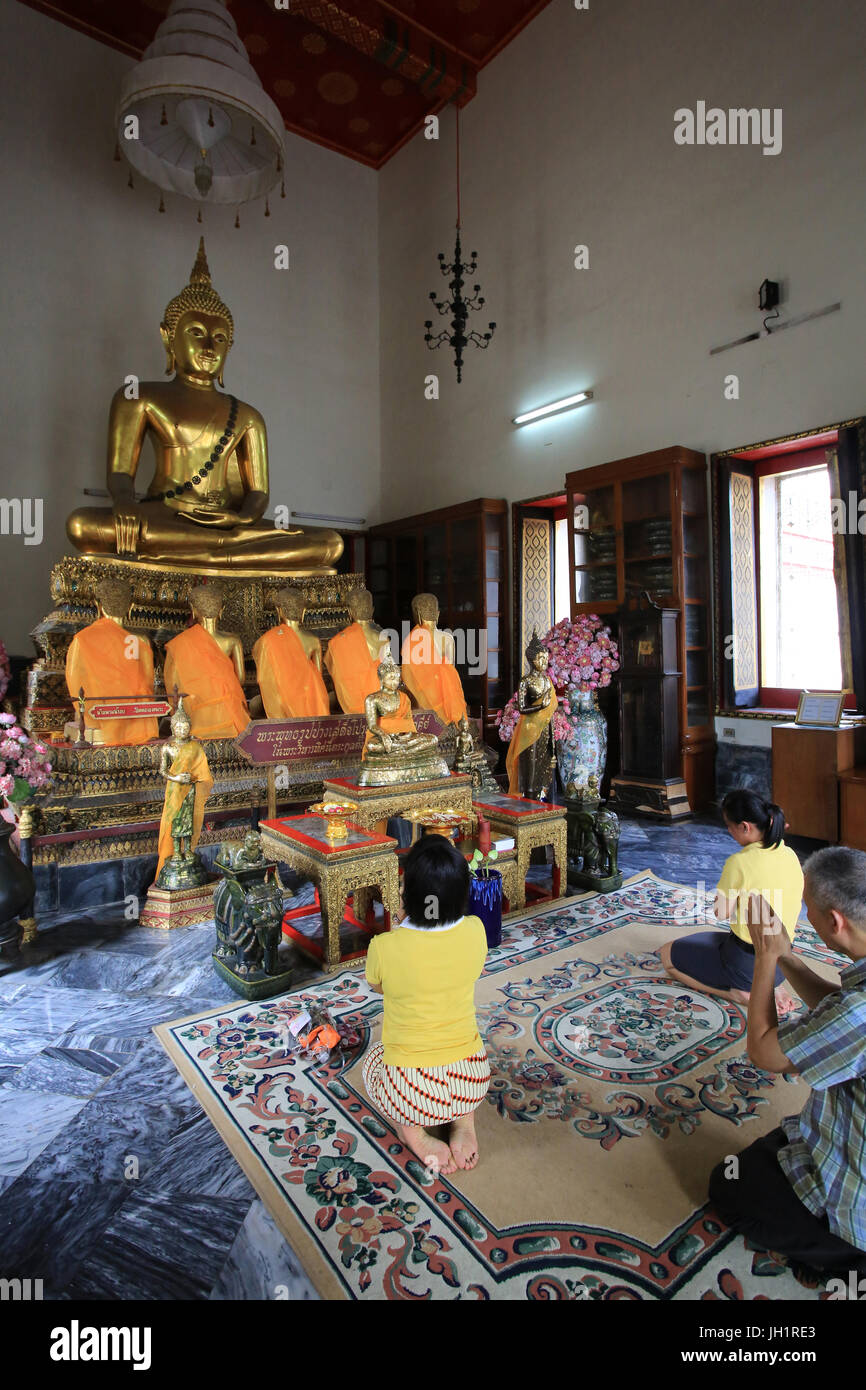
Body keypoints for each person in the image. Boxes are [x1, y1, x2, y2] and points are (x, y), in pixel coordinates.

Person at [708, 846, 866, 1275]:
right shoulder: (854, 1005)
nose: (804, 916)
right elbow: (839, 1009)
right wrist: (789, 956)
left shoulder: (858, 1013)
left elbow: (763, 1051)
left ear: (834, 922)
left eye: (807, 909)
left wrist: (766, 957)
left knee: (729, 1181)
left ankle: (846, 1257)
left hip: (858, 1205)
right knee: (771, 1148)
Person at [363, 836, 489, 1175]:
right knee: (465, 1047)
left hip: (412, 1091)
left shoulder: (384, 946)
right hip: (471, 1079)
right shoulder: (477, 932)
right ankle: (464, 1123)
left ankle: (415, 1134)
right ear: (462, 895)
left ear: (406, 895)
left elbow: (377, 985)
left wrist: (400, 933)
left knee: (374, 1062)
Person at [659, 789, 803, 1004]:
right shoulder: (789, 853)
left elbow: (721, 913)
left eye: (729, 826)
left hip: (746, 963)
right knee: (713, 941)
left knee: (667, 954)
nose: (728, 831)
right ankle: (773, 984)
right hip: (783, 962)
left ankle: (739, 993)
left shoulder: (739, 862)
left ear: (745, 826)